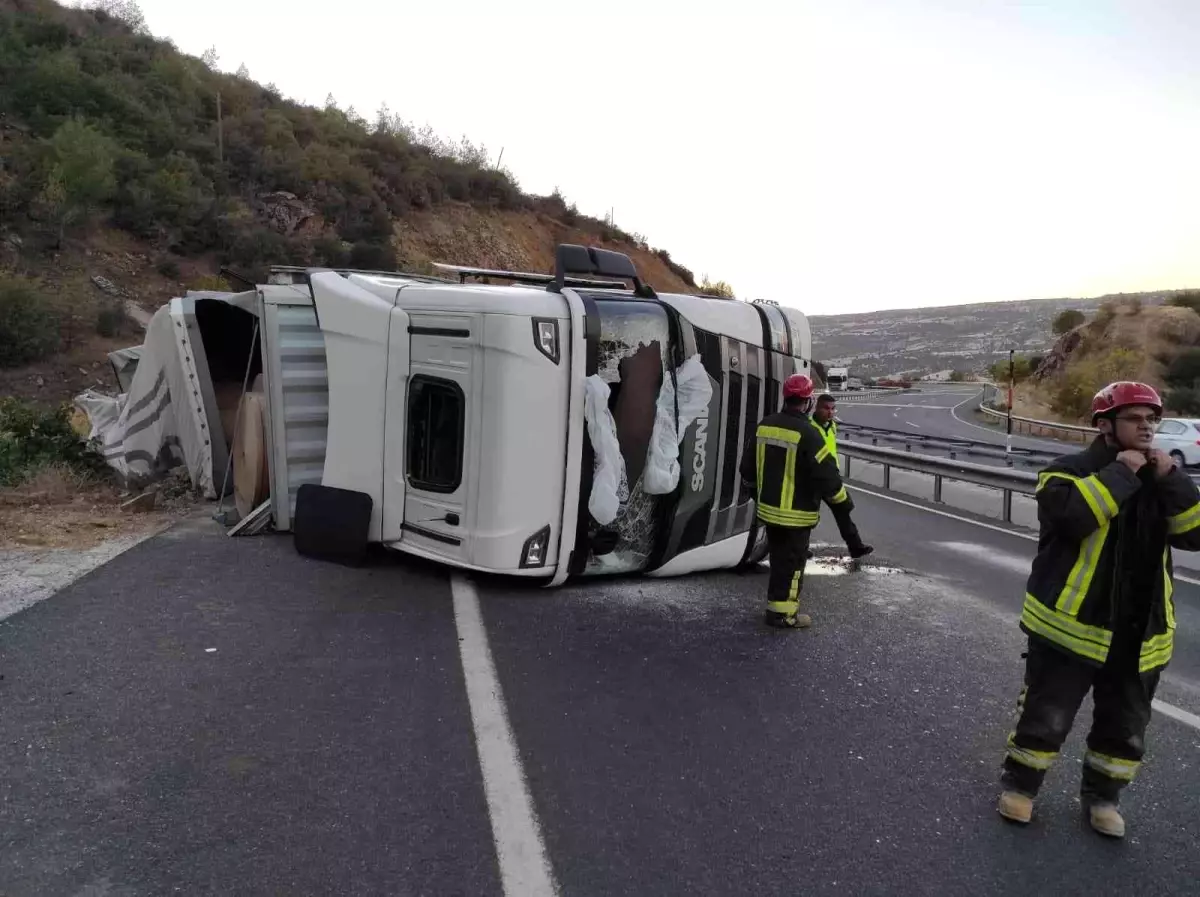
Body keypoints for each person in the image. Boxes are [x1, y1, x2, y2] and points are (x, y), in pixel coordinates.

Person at [997, 381, 1200, 838]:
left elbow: (1195, 535)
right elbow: (1072, 519)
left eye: (1152, 419)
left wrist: (1174, 480)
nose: (1147, 427)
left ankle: (1103, 798)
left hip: (1140, 632)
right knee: (1045, 717)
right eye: (1134, 418)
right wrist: (1123, 473)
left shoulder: (1162, 480)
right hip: (1071, 629)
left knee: (1124, 729)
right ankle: (1021, 787)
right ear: (1105, 426)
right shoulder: (1066, 472)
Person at [740, 373, 852, 629]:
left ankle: (774, 606)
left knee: (779, 560)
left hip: (768, 511)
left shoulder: (765, 425)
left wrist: (757, 494)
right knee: (792, 564)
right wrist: (842, 504)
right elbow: (827, 477)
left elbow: (746, 469)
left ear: (786, 397)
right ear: (809, 402)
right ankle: (783, 614)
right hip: (796, 515)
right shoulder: (810, 434)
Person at [811, 393, 873, 559]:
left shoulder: (832, 426)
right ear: (816, 408)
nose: (830, 413)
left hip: (831, 478)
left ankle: (856, 547)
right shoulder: (809, 426)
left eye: (833, 409)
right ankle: (801, 548)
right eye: (826, 408)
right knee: (809, 517)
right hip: (813, 478)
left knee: (843, 512)